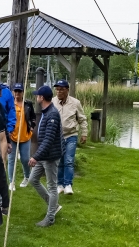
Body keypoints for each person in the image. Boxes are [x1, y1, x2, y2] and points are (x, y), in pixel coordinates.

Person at [27, 85, 62, 227]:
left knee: (52, 186)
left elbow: (48, 139)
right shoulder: (46, 112)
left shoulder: (52, 114)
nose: (36, 97)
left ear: (42, 97)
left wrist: (35, 156)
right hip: (43, 155)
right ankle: (53, 206)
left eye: (37, 95)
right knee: (33, 179)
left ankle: (50, 217)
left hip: (50, 156)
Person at [54, 80, 87, 195]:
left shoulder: (75, 103)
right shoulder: (53, 102)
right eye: (57, 89)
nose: (59, 91)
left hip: (71, 135)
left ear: (67, 90)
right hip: (57, 136)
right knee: (59, 161)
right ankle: (60, 185)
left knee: (68, 160)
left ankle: (68, 184)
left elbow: (82, 119)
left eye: (61, 89)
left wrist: (84, 133)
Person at [7, 83, 36, 189]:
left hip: (25, 136)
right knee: (11, 159)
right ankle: (11, 182)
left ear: (23, 92)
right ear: (13, 92)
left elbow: (33, 118)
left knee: (25, 159)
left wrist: (32, 127)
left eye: (19, 91)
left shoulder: (28, 104)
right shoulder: (10, 104)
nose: (17, 93)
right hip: (12, 136)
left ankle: (27, 177)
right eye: (16, 91)